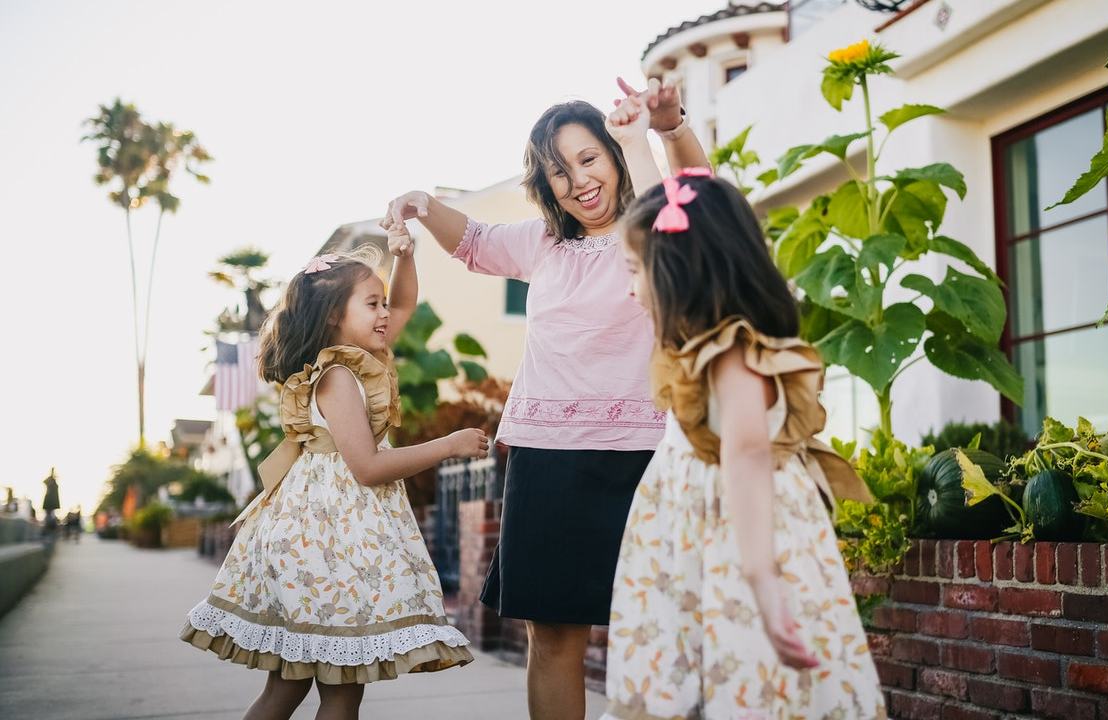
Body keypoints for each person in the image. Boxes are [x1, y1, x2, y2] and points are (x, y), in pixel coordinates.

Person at [382, 79, 708, 720]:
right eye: (558, 172)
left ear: (616, 157)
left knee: (657, 628)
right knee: (553, 635)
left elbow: (697, 195)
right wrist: (423, 204)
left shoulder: (654, 233)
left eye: (589, 159)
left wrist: (668, 127)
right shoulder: (542, 244)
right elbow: (471, 241)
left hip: (643, 460)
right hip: (546, 459)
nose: (577, 182)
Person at [598, 96, 885, 719]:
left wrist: (760, 577)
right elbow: (670, 210)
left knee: (744, 677)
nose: (629, 286)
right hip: (694, 540)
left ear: (679, 273)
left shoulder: (733, 350)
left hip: (735, 539)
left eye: (633, 271)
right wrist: (635, 141)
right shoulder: (703, 340)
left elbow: (749, 450)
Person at [180, 236, 488, 720]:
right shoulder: (338, 378)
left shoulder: (357, 362)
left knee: (287, 688)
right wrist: (449, 446)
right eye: (372, 304)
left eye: (383, 303)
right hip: (326, 549)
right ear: (333, 316)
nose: (386, 312)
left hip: (323, 545)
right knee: (340, 692)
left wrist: (405, 257)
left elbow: (405, 301)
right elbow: (367, 467)